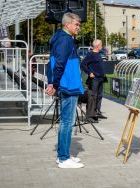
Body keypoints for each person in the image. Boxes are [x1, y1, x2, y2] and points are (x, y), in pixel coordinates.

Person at [46, 12, 85, 169]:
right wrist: (54, 84)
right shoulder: (65, 40)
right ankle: (63, 158)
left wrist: (52, 82)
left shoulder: (61, 38)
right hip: (68, 86)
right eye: (76, 24)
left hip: (68, 85)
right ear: (67, 24)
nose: (79, 27)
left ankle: (64, 155)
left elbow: (51, 63)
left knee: (67, 122)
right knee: (67, 122)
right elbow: (59, 64)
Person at [80, 39, 107, 123]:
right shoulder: (91, 54)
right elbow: (83, 64)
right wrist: (89, 73)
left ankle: (96, 113)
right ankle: (89, 116)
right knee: (92, 97)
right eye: (101, 44)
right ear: (97, 46)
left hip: (100, 78)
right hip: (94, 79)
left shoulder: (98, 54)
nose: (102, 46)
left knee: (99, 96)